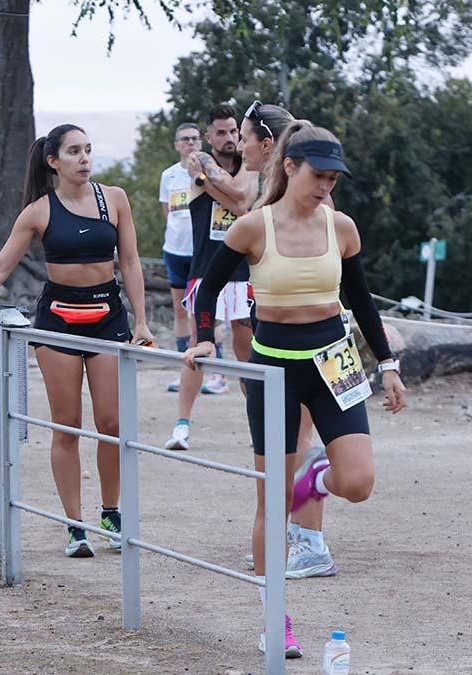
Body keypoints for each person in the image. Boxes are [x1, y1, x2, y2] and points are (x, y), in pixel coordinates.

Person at [184, 120, 406, 657]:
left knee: (358, 482)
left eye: (334, 178)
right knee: (272, 500)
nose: (327, 186)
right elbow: (207, 286)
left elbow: (362, 301)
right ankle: (274, 618)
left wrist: (390, 364)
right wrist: (205, 340)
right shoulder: (254, 226)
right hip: (274, 368)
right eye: (319, 175)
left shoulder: (343, 227)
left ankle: (317, 481)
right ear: (290, 167)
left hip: (335, 362)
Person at [0, 124, 155, 558]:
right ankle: (74, 524)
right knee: (67, 425)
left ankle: (111, 512)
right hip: (57, 323)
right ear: (53, 161)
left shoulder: (114, 199)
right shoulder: (38, 211)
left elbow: (129, 262)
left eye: (88, 150)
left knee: (111, 425)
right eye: (74, 151)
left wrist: (143, 322)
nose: (84, 158)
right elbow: (2, 265)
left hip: (108, 317)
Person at [236, 103, 339, 581]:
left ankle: (310, 540)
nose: (238, 145)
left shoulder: (316, 204)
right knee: (294, 443)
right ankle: (298, 540)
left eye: (244, 137)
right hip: (277, 338)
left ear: (268, 147)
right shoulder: (266, 199)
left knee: (304, 441)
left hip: (324, 344)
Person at [165, 104, 259, 451]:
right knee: (198, 347)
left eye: (234, 131)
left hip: (242, 269)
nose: (230, 137)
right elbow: (237, 201)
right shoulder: (201, 160)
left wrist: (210, 184)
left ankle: (257, 422)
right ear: (208, 136)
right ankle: (182, 425)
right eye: (221, 132)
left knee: (246, 347)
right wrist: (218, 186)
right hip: (205, 267)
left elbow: (242, 200)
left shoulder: (249, 164)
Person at [158, 123, 203, 391]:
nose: (190, 143)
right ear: (177, 144)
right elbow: (167, 210)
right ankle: (183, 368)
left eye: (194, 139)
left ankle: (215, 370)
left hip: (201, 251)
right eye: (185, 139)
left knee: (206, 310)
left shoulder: (209, 172)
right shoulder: (169, 176)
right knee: (181, 310)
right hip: (175, 249)